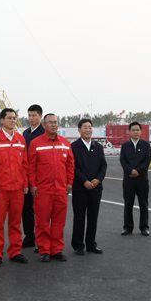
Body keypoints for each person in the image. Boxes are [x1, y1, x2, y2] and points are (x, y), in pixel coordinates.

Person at [0, 108, 29, 266]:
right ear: (2, 120)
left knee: (15, 222)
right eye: (9, 118)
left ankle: (15, 251)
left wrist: (25, 183)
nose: (12, 120)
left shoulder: (20, 140)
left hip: (17, 189)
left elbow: (25, 164)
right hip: (0, 189)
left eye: (14, 118)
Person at [28, 114, 74, 262]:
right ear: (44, 124)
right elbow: (31, 166)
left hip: (60, 189)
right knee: (42, 221)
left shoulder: (65, 143)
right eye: (50, 122)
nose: (54, 125)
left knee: (59, 221)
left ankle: (57, 250)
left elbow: (70, 165)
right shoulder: (36, 143)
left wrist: (69, 182)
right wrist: (33, 185)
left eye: (55, 122)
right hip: (43, 190)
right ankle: (44, 250)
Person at [70, 118, 107, 254]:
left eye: (90, 127)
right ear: (79, 130)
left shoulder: (98, 147)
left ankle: (91, 244)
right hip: (80, 188)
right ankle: (78, 245)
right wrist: (84, 180)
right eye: (85, 127)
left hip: (96, 188)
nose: (88, 130)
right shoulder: (74, 147)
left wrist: (98, 179)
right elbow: (73, 167)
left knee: (93, 217)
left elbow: (103, 165)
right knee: (79, 217)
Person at [119, 121, 151, 236]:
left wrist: (138, 171)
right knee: (128, 204)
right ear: (129, 132)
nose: (136, 132)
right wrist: (130, 171)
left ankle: (144, 227)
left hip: (142, 180)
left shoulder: (146, 145)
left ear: (141, 132)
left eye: (137, 130)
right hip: (128, 180)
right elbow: (122, 160)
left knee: (143, 204)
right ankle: (127, 227)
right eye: (133, 130)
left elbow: (147, 160)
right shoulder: (125, 146)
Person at [21, 104, 44, 250]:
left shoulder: (44, 133)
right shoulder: (26, 133)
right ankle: (29, 236)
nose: (31, 118)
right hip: (26, 175)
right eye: (29, 115)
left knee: (40, 210)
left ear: (40, 116)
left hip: (39, 176)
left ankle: (41, 240)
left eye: (34, 115)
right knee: (26, 208)